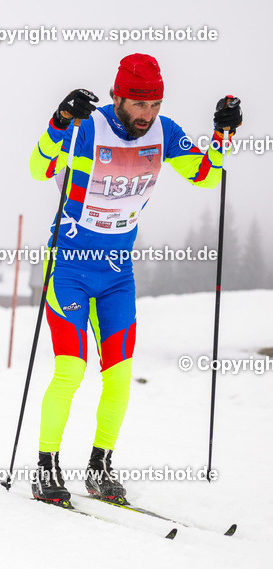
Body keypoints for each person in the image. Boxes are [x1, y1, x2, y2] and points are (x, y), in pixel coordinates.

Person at [28, 53, 241, 505]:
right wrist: (61, 120)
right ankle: (46, 467)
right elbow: (40, 167)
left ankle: (99, 466)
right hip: (68, 267)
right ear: (117, 96)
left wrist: (222, 135)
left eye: (155, 105)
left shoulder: (166, 134)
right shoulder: (88, 127)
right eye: (139, 104)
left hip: (116, 275)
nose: (147, 115)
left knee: (120, 376)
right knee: (70, 369)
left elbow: (208, 176)